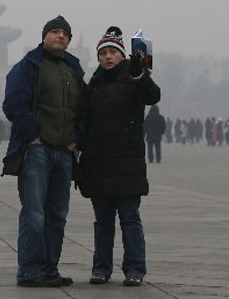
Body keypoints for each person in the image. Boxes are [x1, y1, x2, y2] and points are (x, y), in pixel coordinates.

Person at [2, 15, 86, 288]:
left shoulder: (73, 70)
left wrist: (77, 139)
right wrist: (35, 135)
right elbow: (13, 104)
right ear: (45, 36)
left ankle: (50, 268)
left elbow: (85, 110)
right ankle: (29, 271)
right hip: (37, 150)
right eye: (55, 32)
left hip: (64, 152)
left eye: (65, 34)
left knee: (57, 215)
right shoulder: (28, 66)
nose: (60, 36)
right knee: (34, 213)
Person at [76, 26, 161, 287]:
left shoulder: (134, 79)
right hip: (98, 163)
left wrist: (141, 72)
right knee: (102, 222)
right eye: (103, 53)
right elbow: (83, 122)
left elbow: (153, 95)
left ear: (123, 56)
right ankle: (101, 268)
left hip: (126, 164)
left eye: (113, 52)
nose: (108, 57)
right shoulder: (93, 85)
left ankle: (134, 268)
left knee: (130, 220)